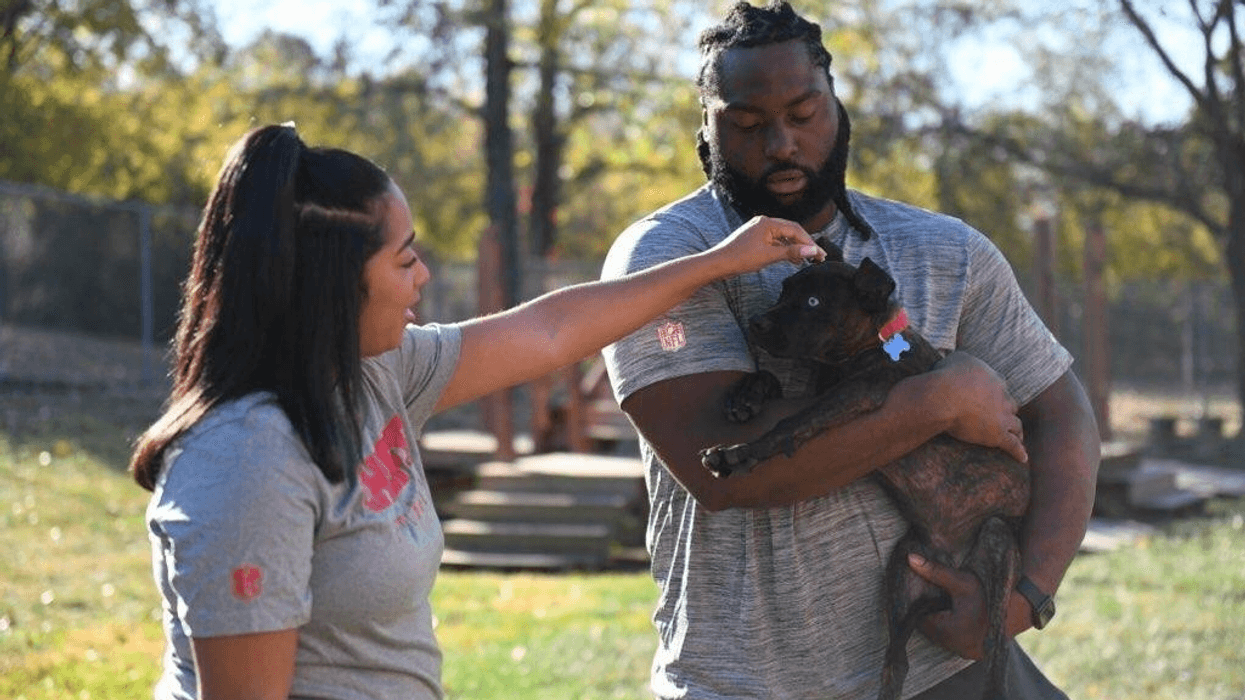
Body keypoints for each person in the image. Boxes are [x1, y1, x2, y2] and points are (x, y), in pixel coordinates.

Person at [128, 123, 824, 700]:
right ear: (332, 282)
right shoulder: (248, 460)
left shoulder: (371, 376)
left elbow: (548, 333)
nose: (424, 276)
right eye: (405, 261)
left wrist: (715, 262)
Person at [600, 2, 1101, 699]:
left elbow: (1061, 412)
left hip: (947, 670)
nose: (780, 142)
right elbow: (725, 473)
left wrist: (1025, 596)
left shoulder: (944, 251)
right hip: (745, 683)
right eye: (746, 124)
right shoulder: (669, 260)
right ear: (706, 135)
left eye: (803, 113)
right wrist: (932, 402)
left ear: (837, 109)